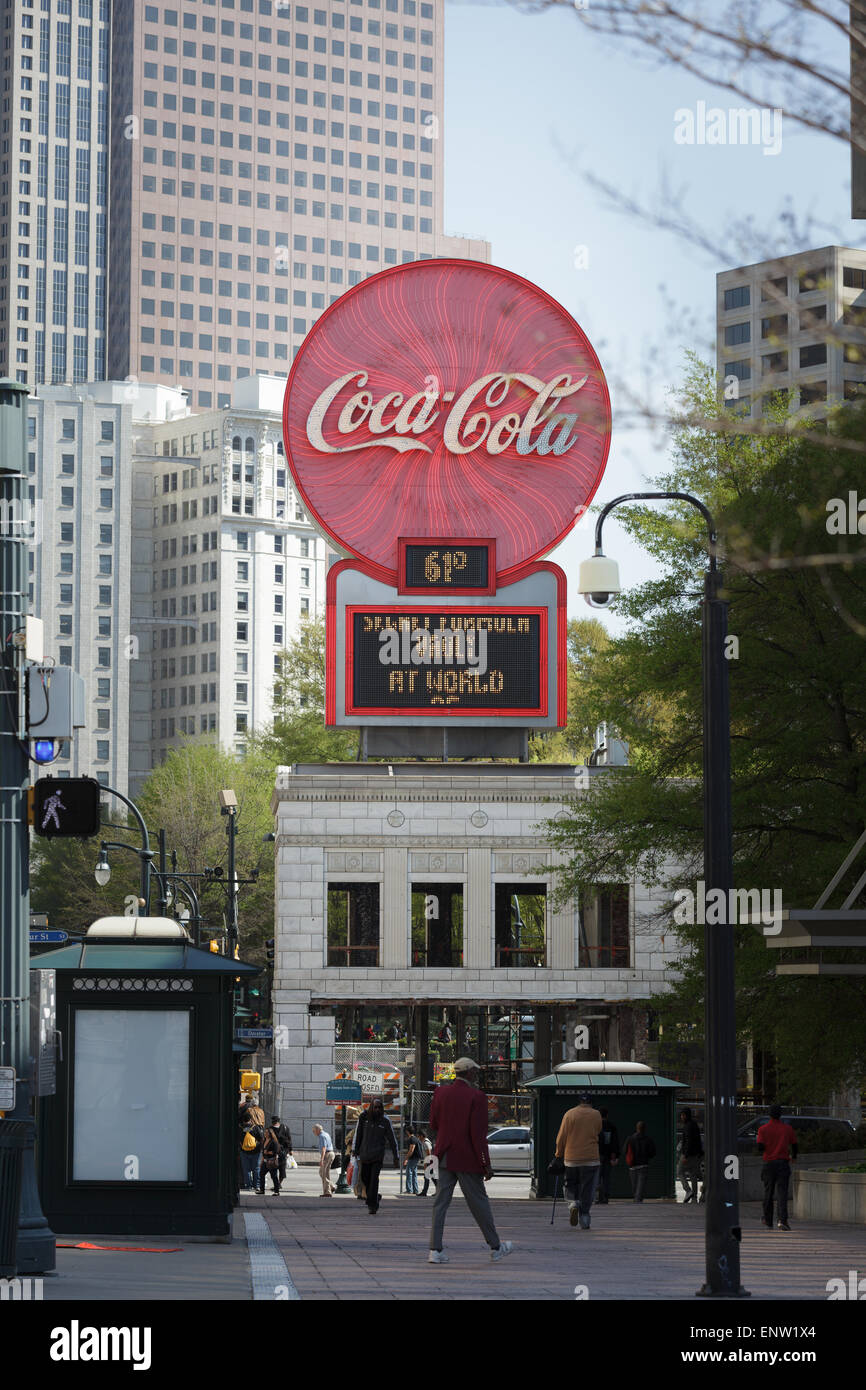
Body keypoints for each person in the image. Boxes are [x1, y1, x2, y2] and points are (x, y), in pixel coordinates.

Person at [427, 1057, 513, 1264]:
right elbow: (478, 1134)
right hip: (466, 1157)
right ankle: (495, 1246)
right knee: (479, 1203)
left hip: (444, 1154)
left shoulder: (440, 1093)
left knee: (440, 1204)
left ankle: (435, 1250)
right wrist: (485, 1163)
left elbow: (434, 1123)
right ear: (470, 1073)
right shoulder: (477, 1096)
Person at [555, 1093, 602, 1229]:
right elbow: (598, 1131)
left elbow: (561, 1137)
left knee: (570, 1183)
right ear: (591, 1102)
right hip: (591, 1158)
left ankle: (573, 1203)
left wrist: (559, 1154)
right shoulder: (596, 1114)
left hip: (571, 1158)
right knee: (588, 1188)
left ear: (579, 1102)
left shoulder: (569, 1114)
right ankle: (585, 1217)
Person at [352, 1097, 399, 1214]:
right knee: (365, 1179)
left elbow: (393, 1140)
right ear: (371, 1107)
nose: (377, 1109)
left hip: (377, 1157)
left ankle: (373, 1206)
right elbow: (359, 1135)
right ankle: (374, 1197)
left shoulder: (385, 1121)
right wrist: (355, 1149)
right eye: (375, 1107)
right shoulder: (363, 1117)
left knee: (374, 1181)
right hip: (365, 1155)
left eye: (379, 1107)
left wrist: (396, 1157)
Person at [757, 1105, 798, 1231]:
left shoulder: (763, 1129)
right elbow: (794, 1145)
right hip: (783, 1163)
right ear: (781, 1115)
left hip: (769, 1163)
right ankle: (782, 1220)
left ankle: (768, 1220)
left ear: (769, 1115)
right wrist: (794, 1156)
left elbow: (760, 1147)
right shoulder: (787, 1129)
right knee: (782, 1193)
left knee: (768, 1192)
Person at [623, 1120, 656, 1201]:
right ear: (645, 1129)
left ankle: (637, 1201)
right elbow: (653, 1153)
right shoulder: (648, 1140)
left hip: (632, 1166)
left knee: (634, 1187)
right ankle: (638, 1201)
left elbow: (624, 1151)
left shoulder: (629, 1139)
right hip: (643, 1165)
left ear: (636, 1128)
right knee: (640, 1188)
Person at [677, 1107, 704, 1204]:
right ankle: (694, 1198)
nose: (681, 1117)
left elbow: (688, 1142)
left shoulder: (687, 1126)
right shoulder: (694, 1124)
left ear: (686, 1115)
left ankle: (688, 1190)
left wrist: (685, 1155)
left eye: (682, 1115)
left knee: (679, 1171)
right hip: (696, 1154)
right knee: (693, 1175)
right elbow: (697, 1140)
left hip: (688, 1154)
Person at [595, 1107, 620, 1205]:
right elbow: (615, 1142)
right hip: (608, 1156)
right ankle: (605, 1197)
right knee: (606, 1178)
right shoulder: (612, 1126)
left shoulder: (595, 1126)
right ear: (607, 1115)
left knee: (597, 1178)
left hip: (596, 1155)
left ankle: (598, 1198)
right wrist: (615, 1156)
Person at [259, 1121, 283, 1195]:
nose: (265, 1134)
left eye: (267, 1133)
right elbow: (263, 1152)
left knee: (274, 1176)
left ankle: (276, 1191)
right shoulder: (264, 1140)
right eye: (265, 1132)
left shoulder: (273, 1142)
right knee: (261, 1174)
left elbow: (275, 1152)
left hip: (271, 1161)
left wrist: (268, 1152)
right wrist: (261, 1161)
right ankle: (262, 1190)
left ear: (270, 1134)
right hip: (265, 1161)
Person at [312, 1122, 336, 1196]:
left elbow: (323, 1148)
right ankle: (331, 1186)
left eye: (314, 1131)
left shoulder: (321, 1136)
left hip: (327, 1154)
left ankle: (327, 1192)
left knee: (324, 1173)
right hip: (331, 1153)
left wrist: (321, 1159)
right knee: (323, 1172)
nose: (314, 1133)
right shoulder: (326, 1134)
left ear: (317, 1130)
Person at [270, 1114, 293, 1188]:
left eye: (274, 1121)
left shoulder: (284, 1128)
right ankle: (277, 1183)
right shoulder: (271, 1129)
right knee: (277, 1168)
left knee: (279, 1168)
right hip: (278, 1151)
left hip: (279, 1151)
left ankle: (278, 1184)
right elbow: (289, 1140)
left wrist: (290, 1149)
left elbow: (289, 1139)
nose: (273, 1123)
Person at [418, 1128, 437, 1197]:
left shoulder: (426, 1143)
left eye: (419, 1136)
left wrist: (426, 1164)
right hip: (432, 1161)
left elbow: (428, 1154)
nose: (418, 1138)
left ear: (422, 1136)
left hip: (430, 1161)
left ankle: (424, 1192)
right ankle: (439, 1191)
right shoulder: (426, 1142)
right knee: (432, 1177)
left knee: (427, 1177)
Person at [404, 1127, 423, 1195]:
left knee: (409, 1173)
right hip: (416, 1158)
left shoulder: (411, 1139)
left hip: (413, 1158)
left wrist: (406, 1158)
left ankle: (409, 1190)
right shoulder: (415, 1138)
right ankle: (415, 1190)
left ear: (408, 1132)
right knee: (414, 1174)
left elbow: (411, 1149)